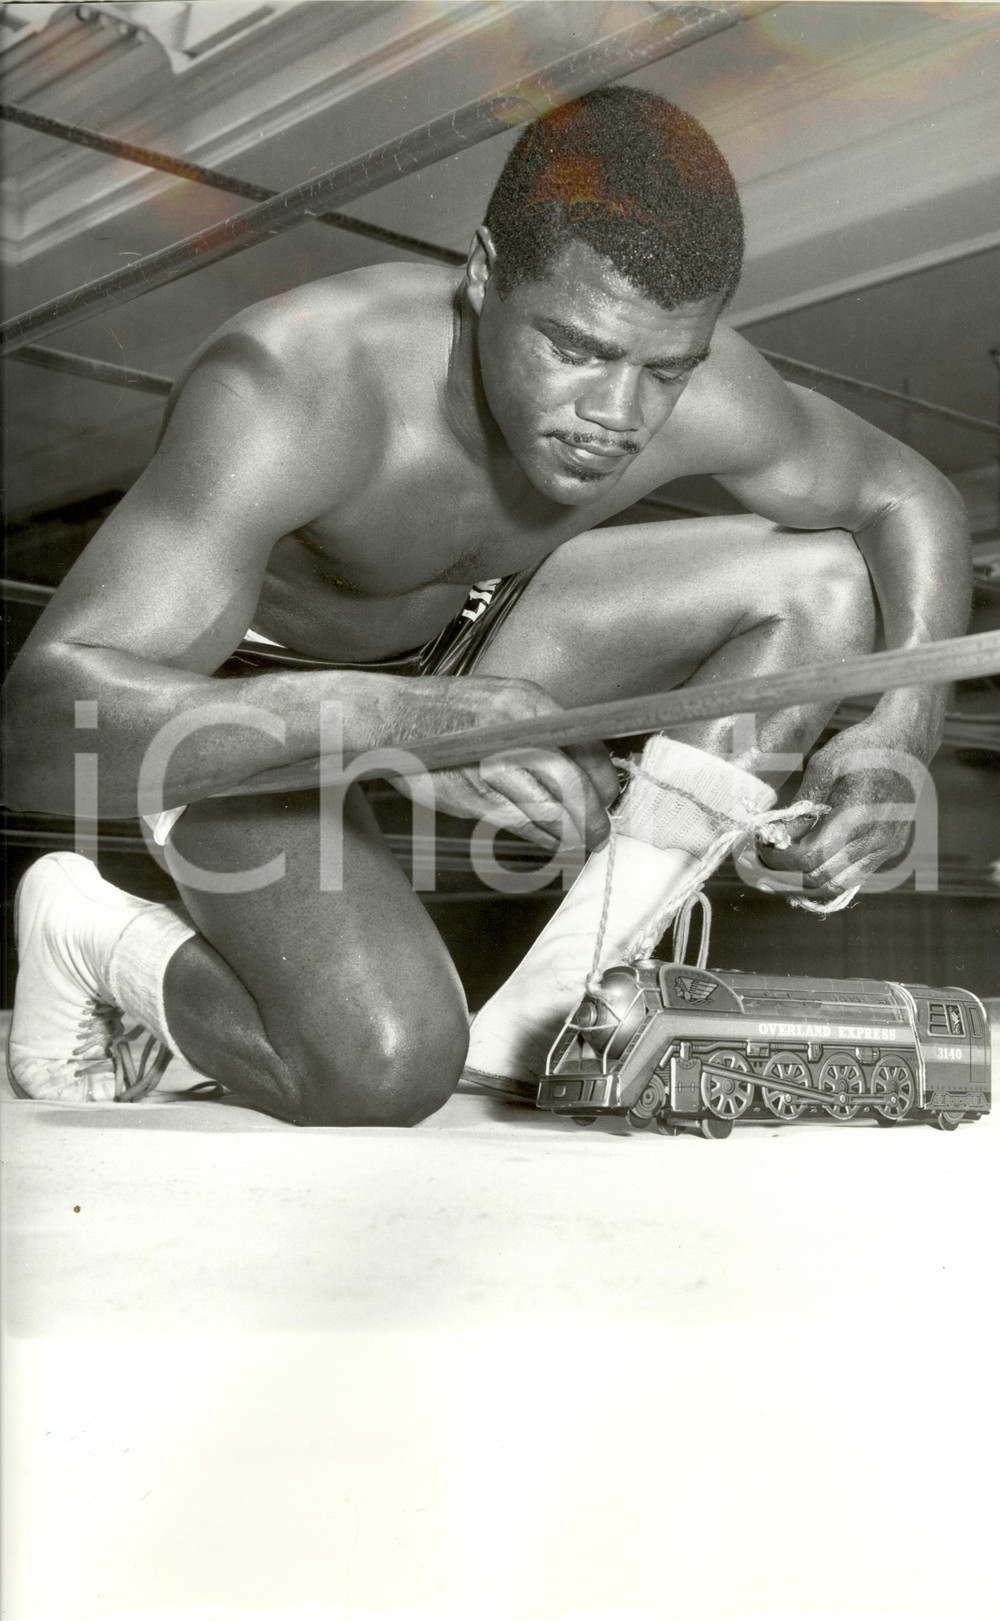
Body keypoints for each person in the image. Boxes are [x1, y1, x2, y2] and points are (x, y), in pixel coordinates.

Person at [2, 88, 970, 1122]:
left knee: (821, 581)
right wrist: (401, 724)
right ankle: (92, 933)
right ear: (482, 274)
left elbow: (907, 494)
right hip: (243, 712)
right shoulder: (296, 384)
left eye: (664, 371)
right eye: (577, 348)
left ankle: (553, 1011)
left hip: (474, 641)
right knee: (382, 1067)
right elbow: (41, 725)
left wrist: (900, 725)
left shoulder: (689, 387)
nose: (617, 415)